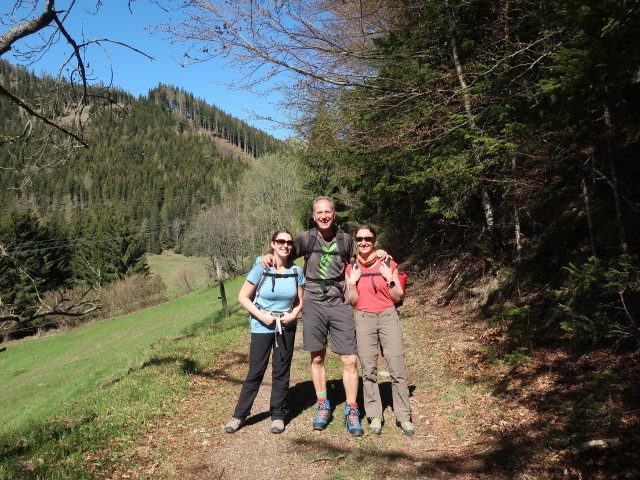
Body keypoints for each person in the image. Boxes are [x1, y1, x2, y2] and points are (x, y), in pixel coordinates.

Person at [260, 197, 383, 436]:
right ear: (314, 215)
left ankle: (352, 409)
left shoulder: (346, 239)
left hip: (340, 304)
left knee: (349, 360)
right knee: (317, 358)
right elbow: (283, 253)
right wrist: (266, 256)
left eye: (328, 212)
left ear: (334, 214)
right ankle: (323, 405)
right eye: (319, 212)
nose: (324, 216)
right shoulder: (306, 238)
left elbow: (362, 259)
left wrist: (381, 252)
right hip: (313, 304)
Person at [224, 230, 304, 435]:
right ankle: (239, 415)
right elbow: (243, 297)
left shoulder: (297, 271)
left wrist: (293, 315)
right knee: (256, 371)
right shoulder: (261, 267)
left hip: (285, 326)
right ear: (273, 244)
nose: (285, 245)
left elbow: (299, 301)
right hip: (262, 325)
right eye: (280, 241)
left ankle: (278, 415)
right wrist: (262, 316)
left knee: (281, 371)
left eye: (288, 242)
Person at [345, 225, 414, 436]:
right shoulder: (351, 268)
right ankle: (375, 415)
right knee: (368, 369)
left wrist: (389, 277)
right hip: (364, 318)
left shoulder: (387, 262)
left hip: (387, 316)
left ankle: (404, 417)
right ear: (356, 242)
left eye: (367, 238)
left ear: (374, 240)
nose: (363, 242)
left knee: (397, 367)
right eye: (359, 239)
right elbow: (354, 302)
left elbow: (397, 296)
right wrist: (352, 284)